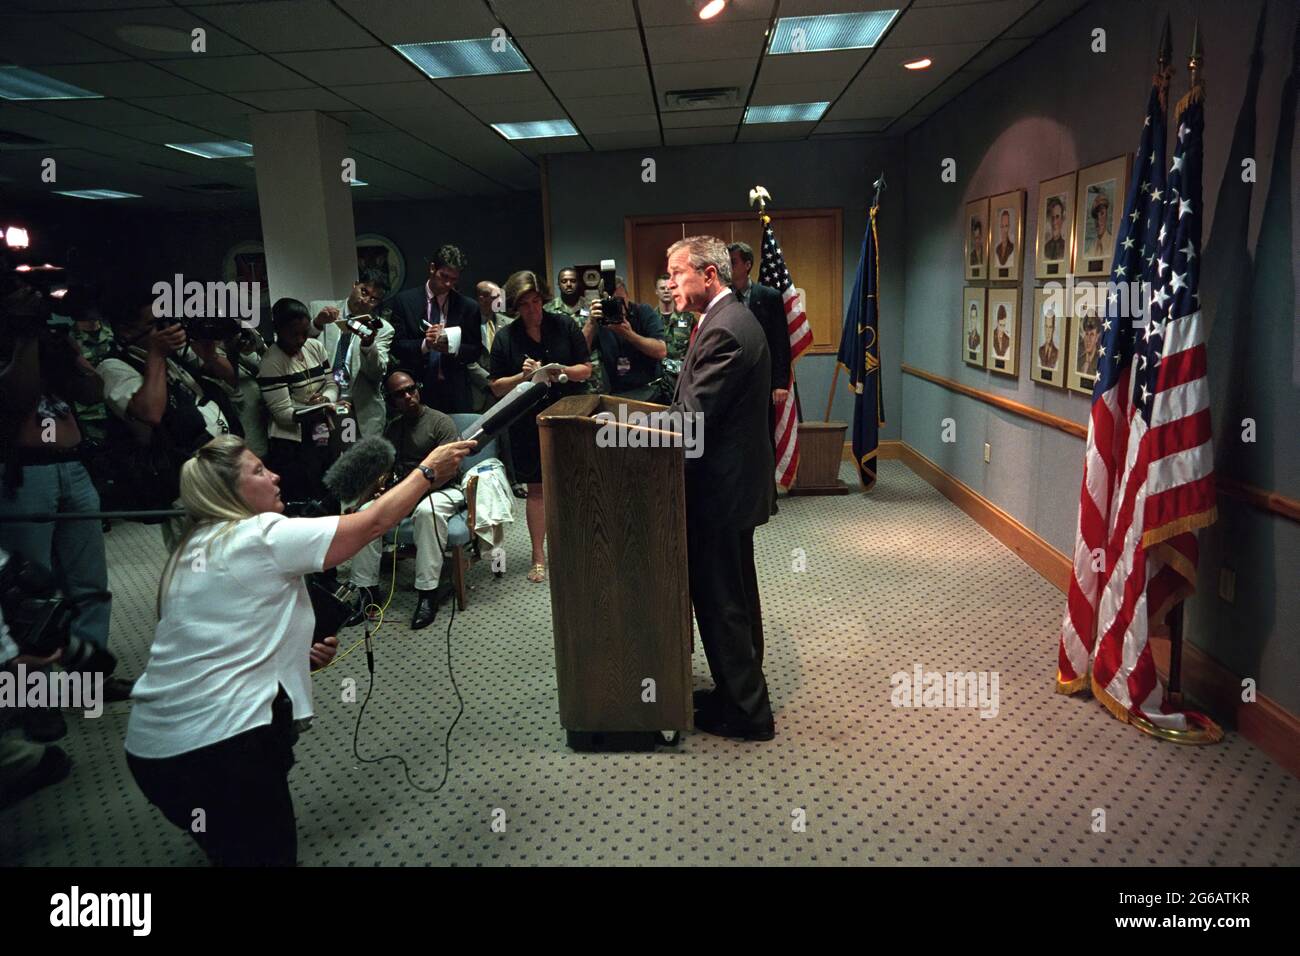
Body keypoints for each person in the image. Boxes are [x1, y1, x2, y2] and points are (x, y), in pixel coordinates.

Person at [124, 432, 475, 866]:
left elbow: (222, 637)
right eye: (258, 471)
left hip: (154, 753)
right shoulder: (260, 535)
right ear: (227, 493)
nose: (274, 476)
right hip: (217, 751)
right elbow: (373, 524)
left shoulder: (193, 547)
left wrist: (292, 655)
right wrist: (427, 472)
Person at [0, 278, 128, 743]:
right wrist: (24, 338)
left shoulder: (53, 344)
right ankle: (34, 700)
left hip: (72, 468)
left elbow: (93, 393)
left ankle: (85, 680)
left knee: (89, 583)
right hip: (24, 474)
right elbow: (17, 396)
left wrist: (68, 351)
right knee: (28, 594)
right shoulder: (12, 348)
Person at [665, 236, 775, 742]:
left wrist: (620, 429)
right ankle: (738, 694)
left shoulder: (726, 330)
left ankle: (748, 715)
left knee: (722, 603)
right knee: (735, 598)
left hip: (719, 494)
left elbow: (690, 422)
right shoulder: (724, 319)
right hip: (728, 488)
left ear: (709, 275)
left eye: (676, 274)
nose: (669, 285)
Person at [348, 370, 512, 629]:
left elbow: (448, 469)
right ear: (391, 400)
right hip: (405, 491)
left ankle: (427, 594)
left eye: (411, 389)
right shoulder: (394, 428)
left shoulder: (440, 422)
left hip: (444, 489)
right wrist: (361, 503)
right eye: (400, 394)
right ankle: (367, 592)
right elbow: (382, 470)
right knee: (364, 515)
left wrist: (408, 495)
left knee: (427, 512)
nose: (408, 396)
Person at [488, 270, 591, 583]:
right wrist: (524, 377)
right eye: (525, 305)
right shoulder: (506, 337)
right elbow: (495, 387)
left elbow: (585, 369)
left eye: (536, 302)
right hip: (527, 421)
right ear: (515, 307)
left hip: (568, 415)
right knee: (537, 489)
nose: (533, 310)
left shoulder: (564, 325)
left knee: (574, 485)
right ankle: (537, 555)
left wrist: (557, 369)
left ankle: (578, 550)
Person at [256, 298, 338, 505]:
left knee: (329, 489)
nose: (301, 339)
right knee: (305, 498)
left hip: (321, 430)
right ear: (278, 329)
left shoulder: (315, 347)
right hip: (292, 444)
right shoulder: (271, 362)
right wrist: (320, 407)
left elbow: (332, 384)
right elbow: (283, 415)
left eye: (304, 332)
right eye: (294, 334)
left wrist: (325, 398)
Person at [385, 244, 483, 414]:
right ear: (432, 268)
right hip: (417, 391)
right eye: (444, 276)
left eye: (453, 279)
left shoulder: (468, 307)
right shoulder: (405, 301)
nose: (447, 284)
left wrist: (451, 347)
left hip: (456, 391)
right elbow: (397, 347)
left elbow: (475, 350)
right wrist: (425, 344)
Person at [307, 268, 393, 439]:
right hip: (322, 403)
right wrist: (317, 323)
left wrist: (368, 345)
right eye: (364, 291)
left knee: (362, 462)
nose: (365, 300)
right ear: (354, 285)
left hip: (361, 409)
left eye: (374, 299)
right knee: (325, 458)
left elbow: (377, 373)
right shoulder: (319, 309)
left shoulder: (383, 329)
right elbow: (298, 347)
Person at [728, 241, 791, 452]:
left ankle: (765, 484)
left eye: (733, 262)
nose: (728, 267)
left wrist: (780, 383)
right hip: (730, 380)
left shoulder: (769, 297)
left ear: (747, 265)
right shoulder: (722, 298)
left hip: (761, 380)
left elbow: (780, 342)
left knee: (763, 437)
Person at [587, 276, 666, 401]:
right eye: (612, 303)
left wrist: (629, 334)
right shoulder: (600, 320)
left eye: (620, 301)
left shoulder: (643, 312)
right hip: (616, 392)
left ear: (627, 296)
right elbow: (580, 353)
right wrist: (591, 322)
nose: (618, 307)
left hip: (649, 390)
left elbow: (661, 351)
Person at [654, 272, 697, 401]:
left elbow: (695, 348)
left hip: (681, 381)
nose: (666, 291)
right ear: (656, 291)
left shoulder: (687, 318)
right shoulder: (650, 319)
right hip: (657, 382)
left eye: (670, 288)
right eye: (662, 288)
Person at [1087, 191, 1112, 258]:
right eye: (1095, 216)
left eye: (1102, 214)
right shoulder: (1092, 247)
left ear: (1107, 215)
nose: (1098, 220)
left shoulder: (1113, 244)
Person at [1043, 195, 1067, 261]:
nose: (1054, 222)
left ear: (1062, 219)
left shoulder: (1066, 247)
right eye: (1052, 217)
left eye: (1057, 217)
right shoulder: (1045, 248)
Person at [1078, 312, 1101, 376]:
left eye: (1092, 334)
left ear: (1097, 337)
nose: (1088, 339)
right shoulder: (1078, 361)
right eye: (1087, 334)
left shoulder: (1100, 363)